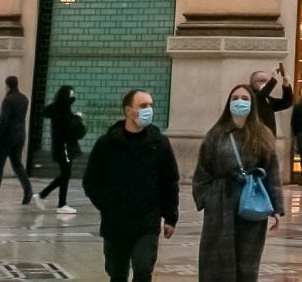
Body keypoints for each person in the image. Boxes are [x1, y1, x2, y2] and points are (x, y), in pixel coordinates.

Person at [85, 88, 180, 282]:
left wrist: (170, 217)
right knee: (117, 272)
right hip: (116, 221)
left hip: (147, 220)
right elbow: (91, 181)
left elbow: (169, 181)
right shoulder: (106, 144)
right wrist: (106, 204)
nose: (149, 110)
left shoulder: (159, 143)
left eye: (151, 106)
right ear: (129, 111)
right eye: (143, 106)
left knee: (143, 268)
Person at [193, 81, 283, 282]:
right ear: (228, 103)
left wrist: (276, 207)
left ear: (252, 104)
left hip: (252, 200)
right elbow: (202, 171)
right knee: (217, 257)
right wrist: (207, 198)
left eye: (244, 99)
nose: (239, 102)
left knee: (247, 260)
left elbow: (272, 171)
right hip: (220, 202)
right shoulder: (215, 134)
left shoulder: (263, 134)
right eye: (235, 99)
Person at [36, 86, 85, 213]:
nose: (73, 97)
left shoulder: (57, 108)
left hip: (61, 145)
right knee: (65, 174)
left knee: (65, 174)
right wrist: (78, 118)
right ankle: (53, 200)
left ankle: (54, 200)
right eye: (71, 94)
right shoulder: (63, 109)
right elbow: (68, 127)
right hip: (65, 146)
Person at [0, 75, 33, 204]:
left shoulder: (8, 100)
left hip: (7, 136)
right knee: (18, 164)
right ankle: (28, 190)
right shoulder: (24, 99)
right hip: (20, 135)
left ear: (7, 85)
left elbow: (4, 120)